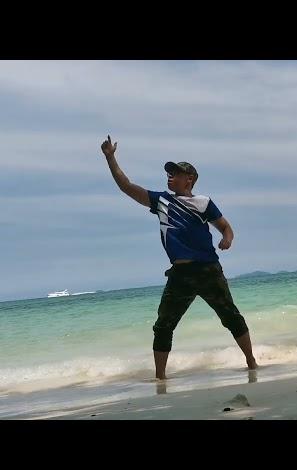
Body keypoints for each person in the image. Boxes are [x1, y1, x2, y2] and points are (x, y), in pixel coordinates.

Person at [100, 135, 258, 379]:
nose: (170, 175)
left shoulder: (203, 202)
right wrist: (111, 158)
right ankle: (160, 378)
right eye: (169, 172)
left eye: (176, 173)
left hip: (208, 269)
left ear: (190, 178)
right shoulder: (161, 201)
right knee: (163, 325)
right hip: (180, 275)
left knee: (230, 316)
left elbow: (225, 226)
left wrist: (227, 238)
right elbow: (127, 186)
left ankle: (251, 362)